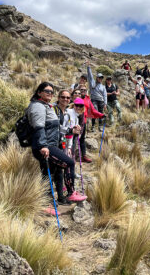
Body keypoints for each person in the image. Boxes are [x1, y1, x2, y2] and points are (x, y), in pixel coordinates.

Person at [26, 82, 76, 214]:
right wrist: (43, 145)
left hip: (51, 145)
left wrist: (70, 131)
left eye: (52, 92)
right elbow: (38, 127)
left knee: (50, 173)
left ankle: (50, 202)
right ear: (39, 92)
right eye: (47, 91)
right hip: (44, 146)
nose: (50, 93)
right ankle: (69, 193)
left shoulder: (46, 106)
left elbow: (57, 128)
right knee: (68, 163)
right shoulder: (37, 106)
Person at [53, 90, 86, 203]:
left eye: (81, 105)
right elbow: (64, 129)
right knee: (67, 164)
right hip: (57, 143)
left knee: (61, 167)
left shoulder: (74, 115)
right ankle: (68, 192)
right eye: (77, 105)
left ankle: (62, 194)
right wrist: (68, 147)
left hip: (64, 143)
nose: (78, 107)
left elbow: (69, 133)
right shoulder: (67, 113)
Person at [77, 84, 105, 163]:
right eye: (81, 90)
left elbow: (93, 110)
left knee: (82, 139)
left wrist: (101, 115)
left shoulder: (88, 99)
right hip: (74, 122)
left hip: (83, 122)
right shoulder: (75, 98)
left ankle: (84, 156)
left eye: (84, 90)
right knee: (72, 139)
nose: (83, 91)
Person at [87, 63, 107, 131]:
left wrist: (105, 103)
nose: (100, 79)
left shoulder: (103, 86)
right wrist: (89, 67)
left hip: (101, 101)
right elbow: (90, 75)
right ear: (97, 78)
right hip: (94, 99)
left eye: (101, 78)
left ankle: (100, 126)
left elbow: (105, 95)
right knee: (94, 111)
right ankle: (93, 126)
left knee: (101, 113)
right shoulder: (93, 83)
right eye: (99, 77)